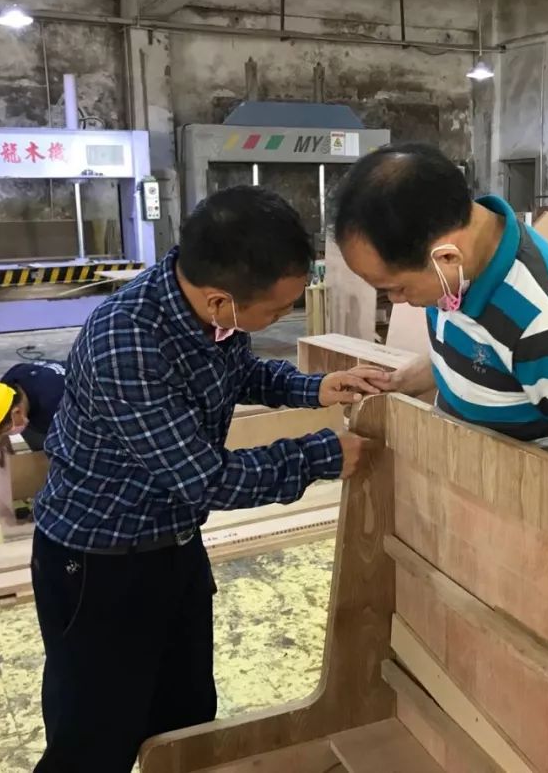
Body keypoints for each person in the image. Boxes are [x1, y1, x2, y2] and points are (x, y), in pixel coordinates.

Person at [31, 185, 383, 772]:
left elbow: (238, 372)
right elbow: (205, 479)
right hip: (98, 563)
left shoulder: (207, 311)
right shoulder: (126, 343)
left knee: (186, 720)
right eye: (276, 311)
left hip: (172, 545)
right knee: (93, 740)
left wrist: (314, 387)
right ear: (221, 300)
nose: (281, 319)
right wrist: (319, 456)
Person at [334, 142, 548, 489]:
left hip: (524, 503)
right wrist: (400, 382)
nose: (398, 300)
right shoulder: (457, 273)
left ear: (447, 258)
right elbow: (480, 355)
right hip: (470, 485)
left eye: (397, 288)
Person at [0, 359, 67, 465]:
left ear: (16, 412)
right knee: (24, 423)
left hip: (74, 409)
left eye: (5, 431)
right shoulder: (8, 384)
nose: (5, 433)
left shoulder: (54, 403)